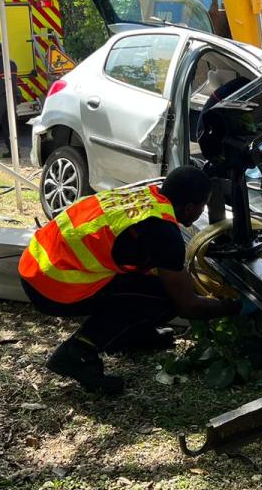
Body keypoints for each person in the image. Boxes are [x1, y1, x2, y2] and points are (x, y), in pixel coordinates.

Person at [18, 166, 241, 394]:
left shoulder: (148, 198)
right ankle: (78, 352)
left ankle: (133, 335)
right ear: (190, 208)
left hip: (36, 264)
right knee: (164, 299)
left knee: (150, 283)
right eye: (203, 206)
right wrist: (233, 306)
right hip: (52, 285)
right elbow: (187, 306)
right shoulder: (164, 232)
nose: (201, 212)